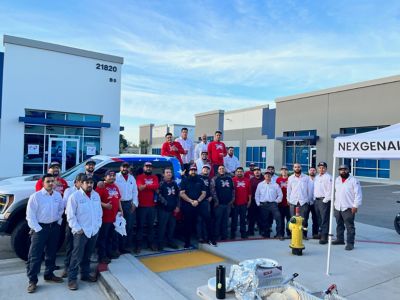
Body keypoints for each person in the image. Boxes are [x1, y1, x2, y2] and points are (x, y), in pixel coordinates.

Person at [26, 174, 64, 293]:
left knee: (51, 253)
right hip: (40, 229)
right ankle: (32, 281)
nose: (51, 183)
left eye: (53, 181)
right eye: (48, 181)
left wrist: (58, 222)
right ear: (43, 183)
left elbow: (61, 210)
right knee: (35, 256)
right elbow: (30, 216)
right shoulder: (36, 197)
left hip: (54, 228)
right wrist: (37, 229)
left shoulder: (57, 195)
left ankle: (49, 274)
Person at [66, 175, 102, 290]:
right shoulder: (74, 196)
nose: (90, 184)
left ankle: (85, 275)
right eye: (87, 182)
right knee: (76, 256)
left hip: (93, 230)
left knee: (88, 255)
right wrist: (77, 229)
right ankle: (72, 280)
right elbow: (70, 215)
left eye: (91, 182)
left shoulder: (96, 195)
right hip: (81, 232)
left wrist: (98, 225)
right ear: (81, 183)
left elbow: (99, 212)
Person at [332, 165, 362, 251]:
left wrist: (355, 206)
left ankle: (350, 243)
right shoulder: (337, 179)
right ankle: (340, 239)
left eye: (345, 169)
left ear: (348, 170)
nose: (343, 171)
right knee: (339, 224)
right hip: (338, 206)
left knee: (350, 226)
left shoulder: (354, 180)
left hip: (348, 207)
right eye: (341, 170)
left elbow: (358, 194)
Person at [96, 170, 123, 263]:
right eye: (109, 176)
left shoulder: (115, 186)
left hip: (114, 217)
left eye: (113, 176)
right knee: (103, 238)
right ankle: (102, 256)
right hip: (105, 217)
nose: (112, 177)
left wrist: (121, 209)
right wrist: (105, 205)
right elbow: (95, 200)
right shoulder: (101, 186)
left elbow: (118, 199)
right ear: (105, 177)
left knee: (111, 236)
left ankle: (109, 252)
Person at [61, 173, 85, 278]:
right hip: (71, 222)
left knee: (80, 246)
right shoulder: (69, 191)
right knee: (70, 245)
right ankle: (67, 267)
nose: (84, 183)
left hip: (83, 223)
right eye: (82, 182)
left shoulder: (89, 193)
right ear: (76, 182)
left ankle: (79, 267)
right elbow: (66, 206)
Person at [179, 165, 207, 248]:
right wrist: (191, 201)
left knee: (199, 223)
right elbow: (181, 193)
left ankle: (201, 239)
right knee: (188, 224)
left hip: (199, 205)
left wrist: (197, 201)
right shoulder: (185, 180)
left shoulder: (200, 181)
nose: (193, 171)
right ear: (189, 171)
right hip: (187, 206)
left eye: (195, 170)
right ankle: (187, 242)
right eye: (191, 170)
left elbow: (204, 193)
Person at [135, 162, 159, 253]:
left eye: (150, 167)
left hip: (152, 206)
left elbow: (156, 186)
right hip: (141, 206)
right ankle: (138, 245)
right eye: (147, 167)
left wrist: (145, 186)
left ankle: (151, 243)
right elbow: (140, 188)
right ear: (144, 167)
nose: (148, 168)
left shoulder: (155, 177)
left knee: (151, 226)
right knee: (140, 226)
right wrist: (151, 187)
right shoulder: (139, 177)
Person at [115, 162, 138, 253]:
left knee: (129, 226)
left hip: (129, 205)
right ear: (120, 168)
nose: (125, 169)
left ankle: (125, 247)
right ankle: (117, 248)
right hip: (119, 204)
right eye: (123, 167)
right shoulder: (116, 177)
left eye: (127, 167)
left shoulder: (132, 178)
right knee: (118, 227)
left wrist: (135, 204)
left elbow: (135, 192)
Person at [287, 163, 313, 239]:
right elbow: (289, 190)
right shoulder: (290, 178)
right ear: (293, 168)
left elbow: (309, 190)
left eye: (298, 167)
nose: (297, 168)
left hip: (303, 202)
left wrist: (308, 200)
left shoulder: (306, 178)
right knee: (293, 219)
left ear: (301, 167)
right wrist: (288, 199)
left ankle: (303, 235)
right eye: (295, 167)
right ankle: (294, 235)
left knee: (304, 219)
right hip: (293, 201)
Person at [255, 171, 284, 240]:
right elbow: (257, 195)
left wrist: (276, 202)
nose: (267, 176)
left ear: (271, 176)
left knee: (278, 218)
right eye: (266, 175)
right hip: (263, 205)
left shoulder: (275, 184)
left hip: (273, 204)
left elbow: (280, 195)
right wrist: (258, 203)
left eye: (269, 175)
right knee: (265, 220)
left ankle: (279, 234)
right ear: (264, 176)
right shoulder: (260, 184)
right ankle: (266, 234)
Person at [156, 168, 180, 250]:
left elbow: (178, 195)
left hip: (173, 210)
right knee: (162, 227)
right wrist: (166, 204)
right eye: (167, 172)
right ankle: (160, 243)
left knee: (171, 227)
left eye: (170, 172)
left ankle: (170, 242)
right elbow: (158, 196)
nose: (169, 174)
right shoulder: (161, 184)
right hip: (163, 210)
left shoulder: (174, 183)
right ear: (163, 174)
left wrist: (178, 206)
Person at [211, 165, 235, 241]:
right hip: (219, 204)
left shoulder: (230, 178)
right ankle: (216, 236)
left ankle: (224, 236)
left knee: (226, 221)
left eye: (222, 168)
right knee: (218, 221)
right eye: (220, 169)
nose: (221, 170)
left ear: (225, 170)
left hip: (228, 204)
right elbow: (212, 191)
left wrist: (232, 199)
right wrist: (216, 200)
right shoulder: (215, 179)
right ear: (218, 170)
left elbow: (233, 190)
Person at [313, 162, 332, 244]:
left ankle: (324, 236)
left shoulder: (328, 177)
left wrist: (325, 200)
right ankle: (321, 233)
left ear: (326, 168)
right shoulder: (317, 177)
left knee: (324, 219)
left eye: (323, 168)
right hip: (316, 200)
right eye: (320, 167)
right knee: (319, 218)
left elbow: (330, 190)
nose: (321, 169)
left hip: (324, 200)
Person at [197, 165, 216, 246]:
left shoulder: (210, 179)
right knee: (199, 220)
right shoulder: (197, 177)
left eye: (207, 169)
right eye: (204, 168)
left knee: (206, 220)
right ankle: (200, 237)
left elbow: (212, 189)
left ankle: (206, 237)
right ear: (202, 169)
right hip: (197, 201)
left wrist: (211, 196)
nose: (206, 170)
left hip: (206, 201)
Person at [231, 167, 251, 239]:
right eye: (238, 171)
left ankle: (243, 233)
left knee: (243, 219)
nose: (239, 173)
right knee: (234, 219)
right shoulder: (232, 180)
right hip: (235, 203)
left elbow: (249, 192)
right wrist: (231, 202)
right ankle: (233, 233)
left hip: (244, 203)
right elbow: (230, 192)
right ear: (236, 172)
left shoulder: (247, 180)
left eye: (241, 171)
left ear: (243, 172)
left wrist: (249, 201)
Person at [247, 166, 263, 236]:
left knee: (261, 217)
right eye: (255, 170)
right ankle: (251, 231)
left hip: (261, 201)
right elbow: (249, 191)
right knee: (251, 217)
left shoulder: (263, 179)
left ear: (260, 171)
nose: (257, 171)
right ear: (253, 172)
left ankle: (262, 230)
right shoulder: (251, 180)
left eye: (258, 170)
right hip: (253, 201)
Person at [276, 166, 291, 238]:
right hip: (280, 203)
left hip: (289, 203)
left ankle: (289, 233)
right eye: (282, 170)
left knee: (289, 219)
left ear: (287, 171)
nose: (284, 171)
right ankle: (281, 234)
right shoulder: (278, 179)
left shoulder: (290, 179)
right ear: (281, 171)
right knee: (281, 219)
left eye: (285, 170)